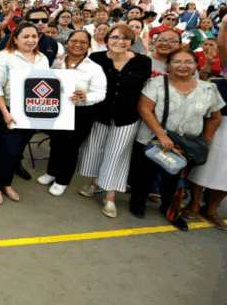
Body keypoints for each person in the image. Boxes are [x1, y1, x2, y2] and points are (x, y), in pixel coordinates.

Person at [131, 48, 223, 230]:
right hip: (153, 140)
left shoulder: (208, 89)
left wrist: (206, 139)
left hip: (185, 145)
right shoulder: (155, 83)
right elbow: (144, 109)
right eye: (177, 62)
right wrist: (162, 136)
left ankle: (169, 209)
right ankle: (137, 203)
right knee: (144, 175)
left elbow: (215, 117)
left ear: (196, 65)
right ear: (168, 65)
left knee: (174, 180)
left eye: (188, 62)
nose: (183, 66)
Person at [77, 24, 152, 218]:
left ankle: (109, 196)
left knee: (117, 155)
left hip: (127, 117)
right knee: (96, 149)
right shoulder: (95, 59)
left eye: (126, 38)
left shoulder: (143, 62)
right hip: (99, 113)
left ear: (132, 42)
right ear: (107, 39)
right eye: (115, 37)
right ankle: (96, 182)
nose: (120, 41)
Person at [38, 30, 107, 195]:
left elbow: (100, 93)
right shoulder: (57, 61)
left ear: (89, 45)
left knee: (70, 148)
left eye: (83, 42)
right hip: (57, 110)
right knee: (56, 142)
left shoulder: (94, 68)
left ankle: (62, 180)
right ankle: (51, 172)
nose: (78, 45)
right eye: (74, 40)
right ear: (67, 42)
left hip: (81, 113)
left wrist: (86, 97)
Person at [0, 22, 50, 204]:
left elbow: (47, 85)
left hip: (34, 110)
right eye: (25, 36)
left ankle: (5, 181)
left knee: (17, 147)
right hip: (9, 110)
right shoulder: (5, 56)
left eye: (34, 36)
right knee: (9, 148)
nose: (31, 40)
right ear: (15, 39)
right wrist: (5, 113)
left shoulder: (42, 59)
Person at [184, 78, 227, 229]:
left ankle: (211, 209)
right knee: (203, 169)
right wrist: (206, 137)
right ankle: (193, 204)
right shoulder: (217, 84)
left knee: (225, 176)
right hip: (218, 130)